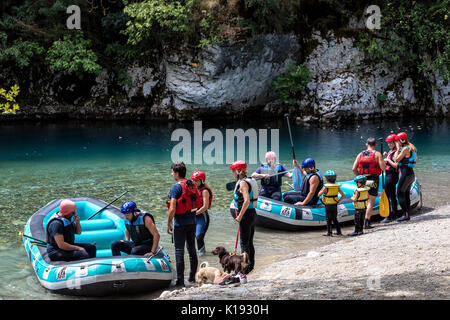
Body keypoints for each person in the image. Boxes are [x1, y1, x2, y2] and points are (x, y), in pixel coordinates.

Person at [166, 161, 198, 287]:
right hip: (192, 221)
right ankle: (191, 278)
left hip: (180, 223)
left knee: (179, 251)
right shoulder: (191, 184)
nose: (171, 173)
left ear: (177, 172)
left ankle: (180, 281)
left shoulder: (176, 187)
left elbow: (172, 208)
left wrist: (168, 223)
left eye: (172, 171)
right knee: (192, 250)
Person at [230, 160, 259, 274]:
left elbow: (246, 201)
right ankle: (251, 266)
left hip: (246, 215)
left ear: (239, 171)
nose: (232, 173)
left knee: (244, 243)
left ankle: (244, 269)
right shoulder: (250, 180)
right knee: (249, 242)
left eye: (233, 171)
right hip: (253, 214)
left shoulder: (243, 183)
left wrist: (240, 216)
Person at [352, 137, 386, 229]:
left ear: (366, 144)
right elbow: (383, 168)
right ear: (375, 145)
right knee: (370, 202)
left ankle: (359, 222)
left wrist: (359, 177)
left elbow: (354, 169)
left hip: (361, 180)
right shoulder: (377, 154)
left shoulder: (360, 154)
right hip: (373, 179)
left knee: (362, 200)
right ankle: (366, 222)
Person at [394, 132, 417, 222]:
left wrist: (397, 149)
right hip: (410, 174)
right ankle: (407, 213)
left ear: (401, 140)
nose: (396, 142)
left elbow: (396, 160)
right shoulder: (411, 148)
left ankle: (405, 214)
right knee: (406, 193)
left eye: (397, 141)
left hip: (406, 174)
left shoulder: (404, 149)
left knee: (399, 192)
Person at [190, 170, 213, 257]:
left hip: (202, 216)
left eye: (196, 180)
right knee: (191, 237)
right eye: (193, 180)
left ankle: (202, 255)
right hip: (194, 215)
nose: (194, 182)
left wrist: (196, 213)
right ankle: (195, 254)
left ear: (202, 181)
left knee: (199, 237)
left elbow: (205, 206)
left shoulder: (205, 191)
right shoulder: (193, 189)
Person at [318, 170, 345, 236]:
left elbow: (319, 194)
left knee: (328, 219)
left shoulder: (326, 187)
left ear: (326, 179)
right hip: (335, 204)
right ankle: (339, 232)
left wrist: (323, 192)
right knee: (334, 218)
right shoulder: (337, 187)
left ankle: (329, 233)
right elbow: (343, 195)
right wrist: (338, 201)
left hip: (328, 205)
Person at [381, 134, 401, 223]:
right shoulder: (392, 151)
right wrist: (387, 156)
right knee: (392, 195)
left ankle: (388, 216)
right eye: (388, 143)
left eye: (390, 143)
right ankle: (395, 214)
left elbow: (396, 166)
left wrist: (388, 160)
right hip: (390, 175)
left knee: (387, 195)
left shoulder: (396, 152)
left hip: (391, 175)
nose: (388, 144)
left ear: (394, 143)